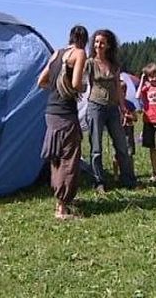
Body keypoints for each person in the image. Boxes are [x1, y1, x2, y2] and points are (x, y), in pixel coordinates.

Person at [37, 25, 88, 220]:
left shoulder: (57, 53)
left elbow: (41, 81)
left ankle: (61, 200)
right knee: (69, 158)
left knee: (56, 158)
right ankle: (62, 208)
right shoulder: (80, 53)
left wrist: (56, 87)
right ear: (84, 39)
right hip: (66, 112)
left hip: (51, 110)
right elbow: (76, 84)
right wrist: (82, 87)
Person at [85, 29, 137, 192]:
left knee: (121, 145)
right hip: (96, 107)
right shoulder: (90, 63)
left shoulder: (114, 65)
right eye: (96, 42)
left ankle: (127, 179)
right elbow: (80, 82)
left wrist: (123, 108)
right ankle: (99, 181)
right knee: (96, 148)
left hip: (113, 108)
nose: (98, 45)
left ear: (108, 45)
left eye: (102, 42)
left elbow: (118, 88)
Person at [136, 63, 156, 183]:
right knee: (152, 147)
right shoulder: (146, 88)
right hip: (148, 120)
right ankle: (155, 171)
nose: (154, 79)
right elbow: (137, 95)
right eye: (151, 76)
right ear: (147, 77)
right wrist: (142, 80)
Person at [112, 80, 137, 180]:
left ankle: (130, 172)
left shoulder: (129, 104)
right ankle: (116, 174)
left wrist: (128, 115)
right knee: (116, 153)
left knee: (129, 152)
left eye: (123, 91)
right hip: (118, 130)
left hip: (128, 130)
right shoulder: (113, 105)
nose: (121, 94)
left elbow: (135, 118)